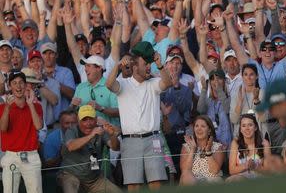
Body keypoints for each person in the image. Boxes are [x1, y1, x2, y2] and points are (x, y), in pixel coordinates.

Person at [106, 41, 172, 191]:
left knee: (156, 184)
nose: (149, 66)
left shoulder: (153, 83)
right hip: (130, 140)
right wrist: (117, 66)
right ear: (135, 66)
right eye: (145, 63)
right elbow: (109, 85)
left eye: (150, 62)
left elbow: (168, 83)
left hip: (153, 139)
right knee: (133, 186)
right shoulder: (123, 84)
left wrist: (160, 65)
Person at [57, 105, 121, 193]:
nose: (88, 123)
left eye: (91, 119)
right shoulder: (72, 130)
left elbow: (116, 147)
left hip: (94, 179)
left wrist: (112, 135)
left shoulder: (100, 130)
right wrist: (91, 135)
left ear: (96, 120)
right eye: (84, 120)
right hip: (70, 175)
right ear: (78, 121)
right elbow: (71, 146)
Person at [0, 70, 43, 193]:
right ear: (10, 86)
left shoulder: (36, 106)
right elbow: (3, 128)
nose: (18, 86)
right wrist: (7, 108)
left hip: (31, 155)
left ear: (25, 85)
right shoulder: (2, 108)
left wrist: (30, 104)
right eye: (14, 83)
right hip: (11, 156)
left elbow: (38, 126)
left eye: (21, 83)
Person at [179, 115, 225, 185]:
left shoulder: (217, 147)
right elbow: (185, 171)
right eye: (196, 126)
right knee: (186, 176)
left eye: (203, 126)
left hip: (211, 183)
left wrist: (208, 152)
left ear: (209, 130)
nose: (199, 129)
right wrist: (192, 150)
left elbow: (215, 171)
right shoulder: (186, 147)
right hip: (192, 183)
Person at [227, 114, 271, 181]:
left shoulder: (265, 143)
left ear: (255, 127)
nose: (247, 128)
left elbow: (268, 171)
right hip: (240, 178)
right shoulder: (235, 143)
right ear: (241, 129)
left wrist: (255, 166)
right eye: (243, 126)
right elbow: (231, 170)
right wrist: (246, 165)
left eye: (250, 125)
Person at [197, 69, 232, 149]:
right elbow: (200, 110)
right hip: (211, 144)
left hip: (227, 144)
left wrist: (219, 89)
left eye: (218, 78)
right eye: (212, 79)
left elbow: (227, 109)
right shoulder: (208, 100)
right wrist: (204, 90)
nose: (215, 81)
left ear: (224, 80)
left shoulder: (230, 98)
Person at [230, 64, 267, 137]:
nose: (248, 77)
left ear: (257, 76)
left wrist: (256, 100)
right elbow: (234, 120)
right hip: (241, 137)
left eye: (251, 74)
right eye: (246, 74)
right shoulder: (236, 94)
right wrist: (240, 102)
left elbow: (264, 118)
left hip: (259, 136)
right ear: (242, 76)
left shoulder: (263, 93)